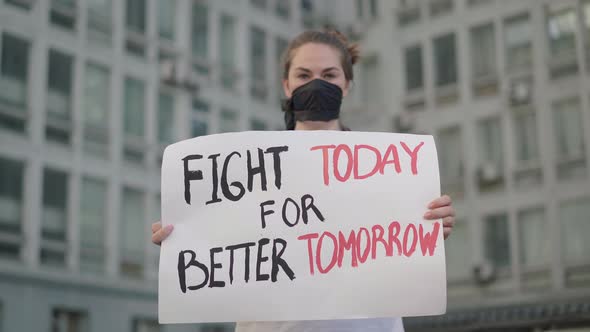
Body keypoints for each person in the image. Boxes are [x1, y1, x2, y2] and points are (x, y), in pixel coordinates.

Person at [151, 29, 456, 332]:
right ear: (287, 85)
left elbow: (400, 246)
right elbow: (220, 241)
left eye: (329, 74)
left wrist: (428, 226)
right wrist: (181, 235)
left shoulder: (392, 169)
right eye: (304, 75)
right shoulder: (247, 171)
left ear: (347, 84)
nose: (316, 84)